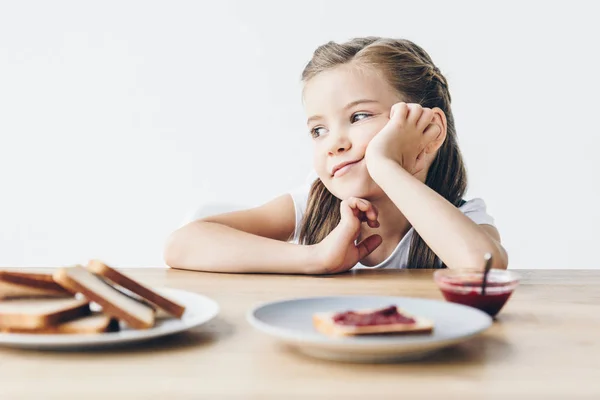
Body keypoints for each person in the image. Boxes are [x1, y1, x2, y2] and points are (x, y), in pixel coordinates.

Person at [164, 37, 508, 274]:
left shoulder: (464, 217)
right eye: (318, 130)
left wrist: (385, 166)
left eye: (359, 117)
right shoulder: (311, 204)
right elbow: (181, 246)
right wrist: (316, 257)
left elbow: (482, 267)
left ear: (429, 131)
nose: (333, 144)